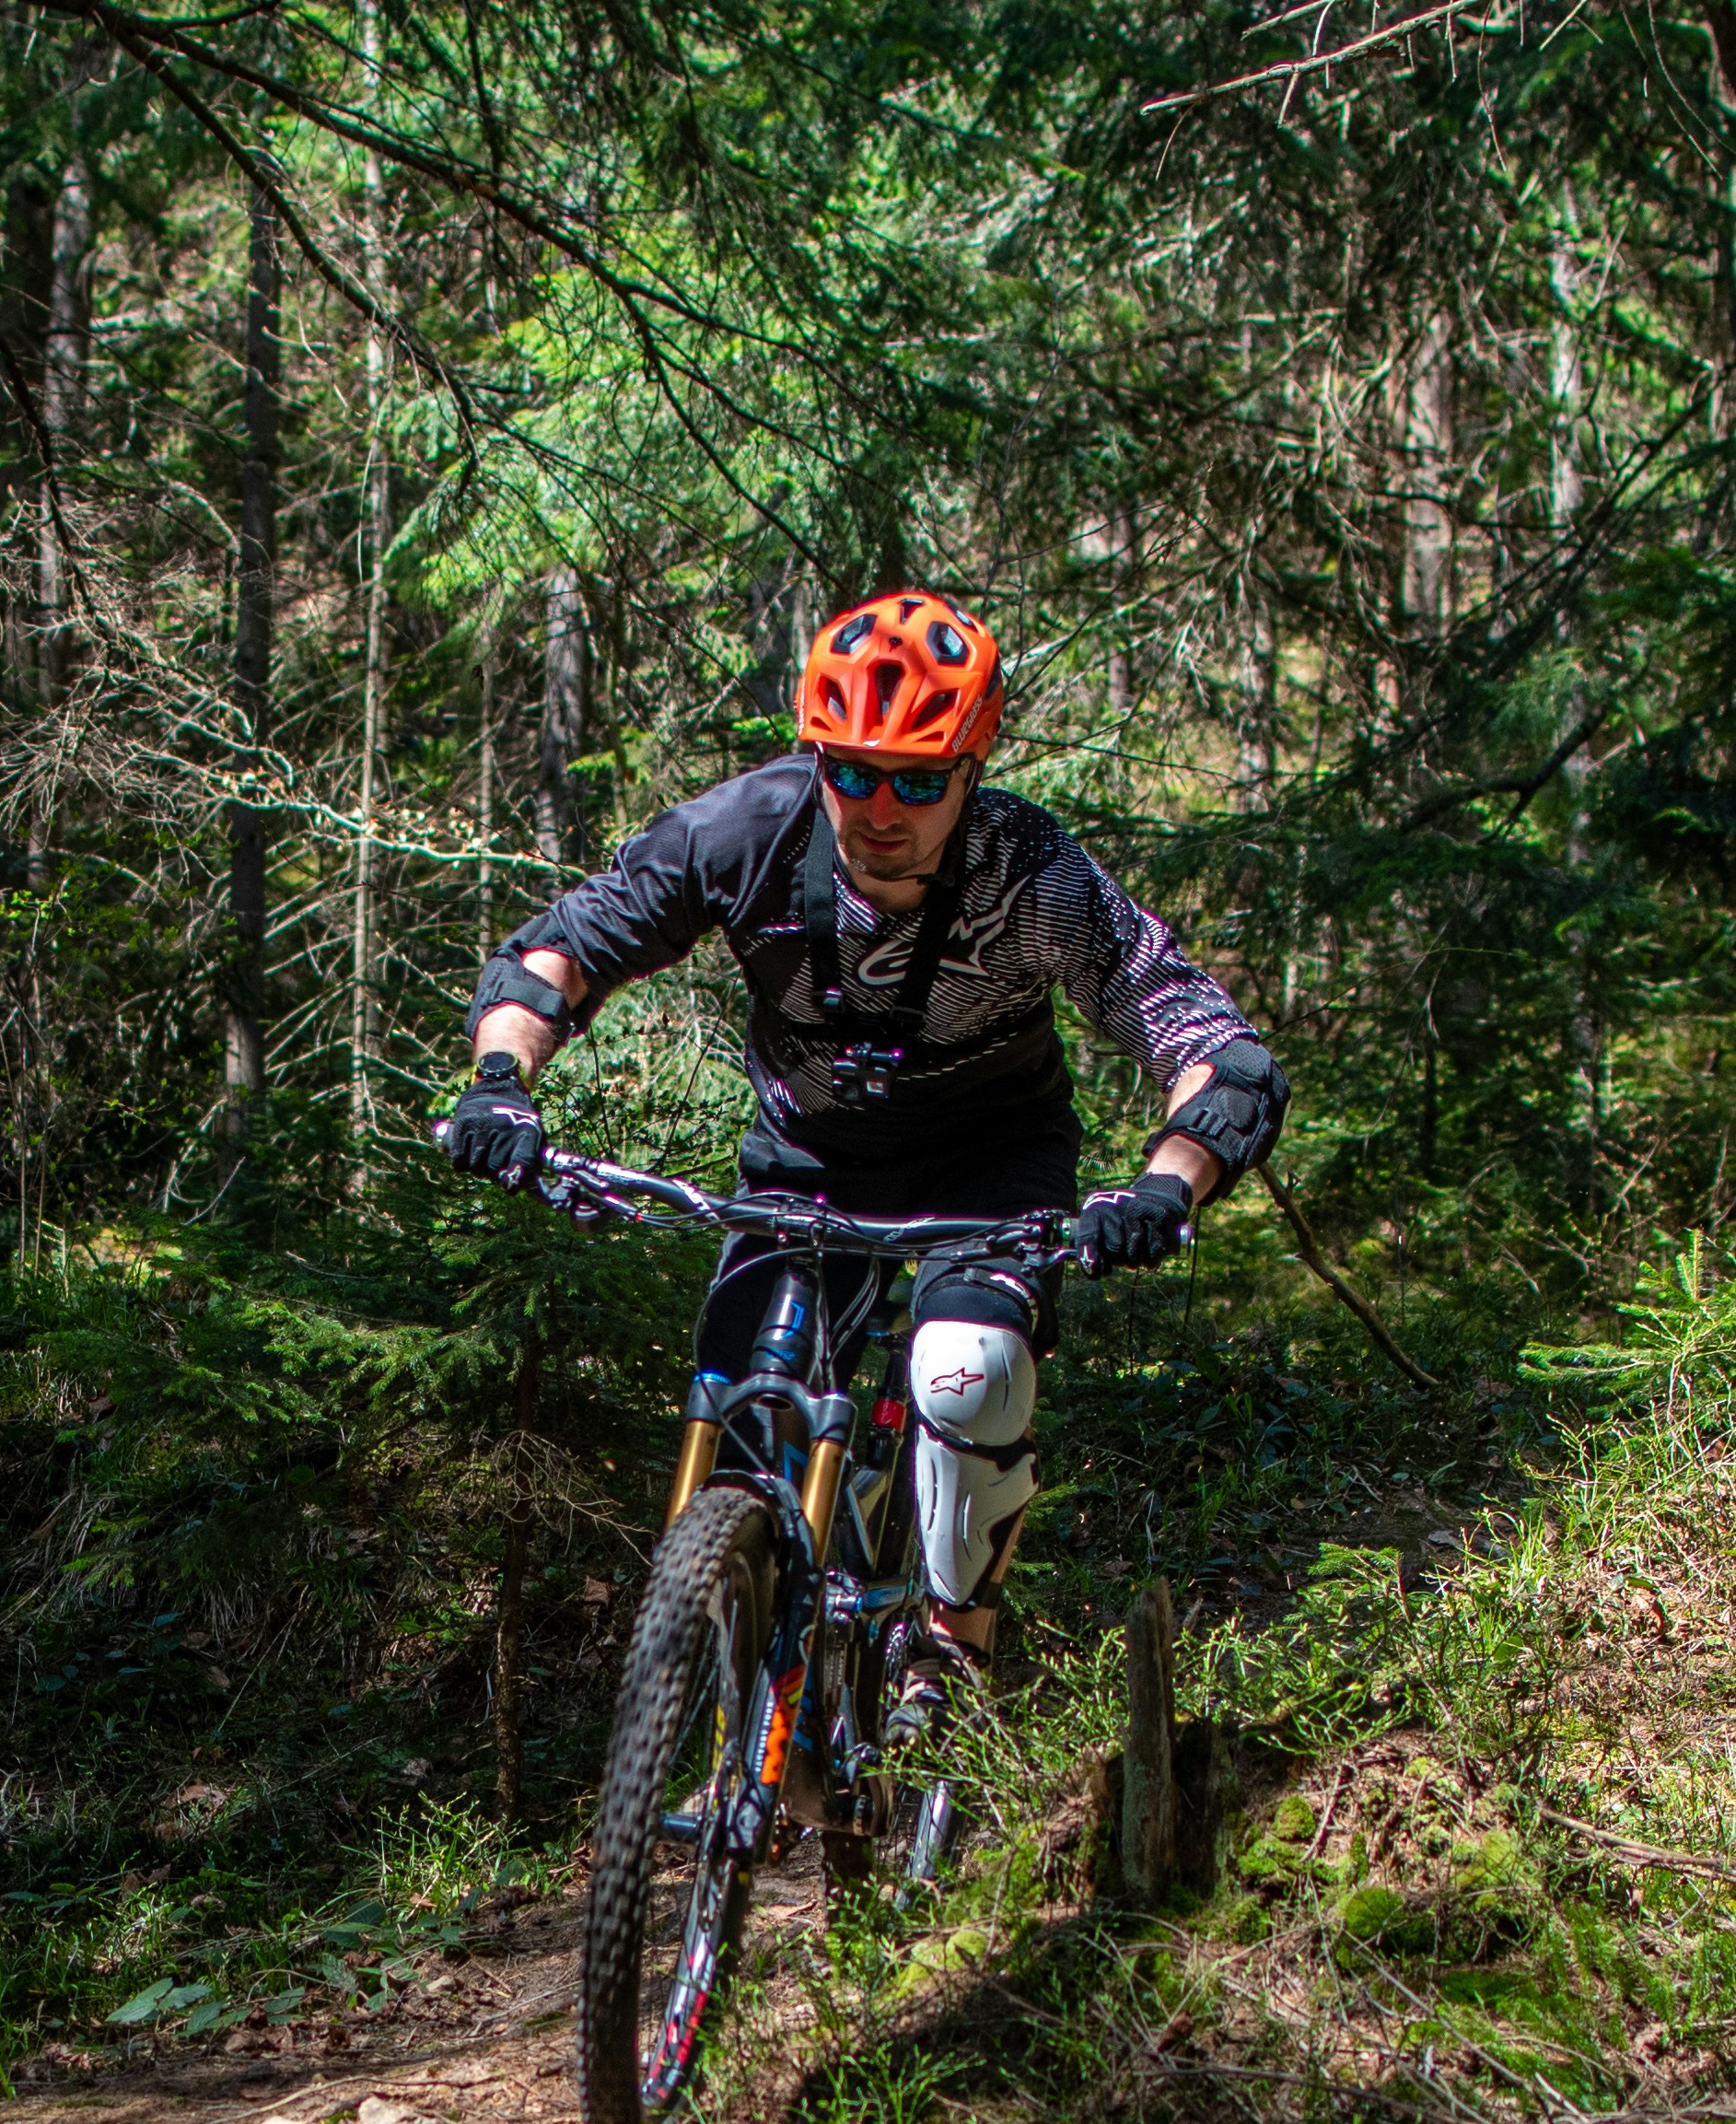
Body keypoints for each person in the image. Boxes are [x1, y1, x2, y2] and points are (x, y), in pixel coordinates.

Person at [440, 587, 1286, 1734]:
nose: (881, 806)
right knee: (743, 1404)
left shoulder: (1032, 878)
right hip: (804, 1163)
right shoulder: (744, 834)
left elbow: (1208, 1046)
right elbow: (557, 955)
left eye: (919, 779)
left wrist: (1162, 1187)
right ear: (815, 753)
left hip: (989, 1169)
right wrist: (500, 1085)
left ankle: (950, 1653)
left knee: (967, 1370)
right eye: (853, 770)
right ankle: (732, 1696)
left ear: (972, 766)